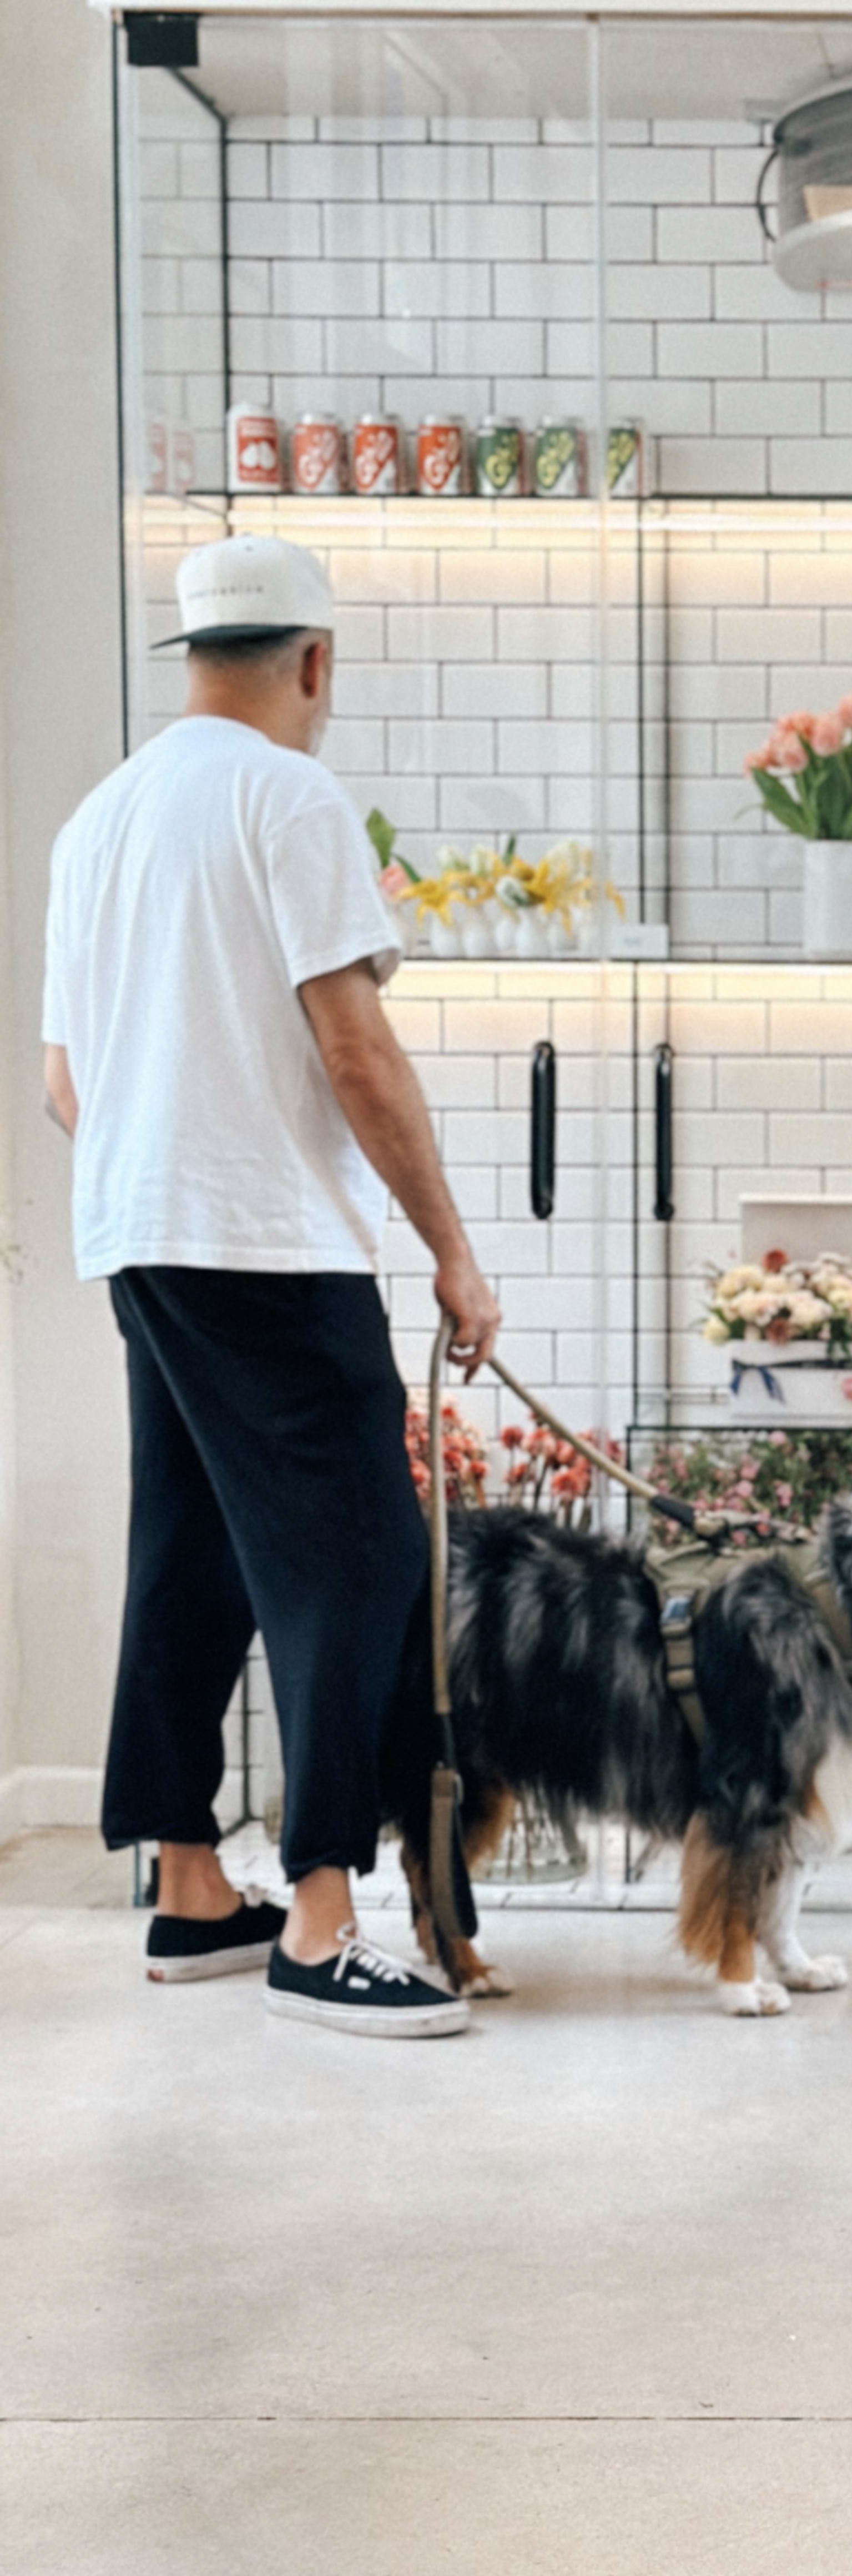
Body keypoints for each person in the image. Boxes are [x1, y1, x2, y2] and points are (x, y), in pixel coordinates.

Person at [41, 533, 500, 2040]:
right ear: (314, 661)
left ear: (194, 656)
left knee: (192, 1550)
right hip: (266, 1242)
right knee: (356, 1557)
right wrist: (451, 1245)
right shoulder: (292, 797)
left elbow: (65, 1084)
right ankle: (319, 1914)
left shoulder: (101, 818)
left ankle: (189, 1891)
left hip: (140, 1232)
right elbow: (356, 1049)